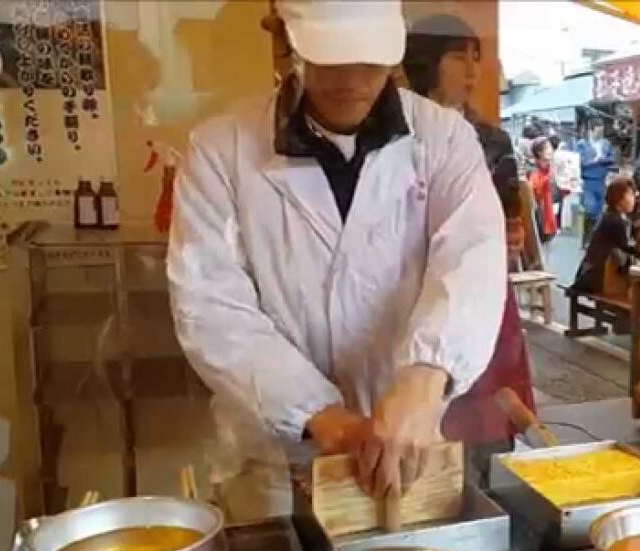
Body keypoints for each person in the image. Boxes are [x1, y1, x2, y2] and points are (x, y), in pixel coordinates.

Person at [167, 0, 507, 521]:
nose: (350, 79)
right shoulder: (220, 150)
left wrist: (425, 374)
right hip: (276, 464)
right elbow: (212, 306)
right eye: (328, 59)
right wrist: (320, 415)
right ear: (286, 42)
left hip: (414, 451)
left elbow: (473, 259)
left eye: (368, 60)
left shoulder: (444, 139)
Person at [401, 13, 535, 468]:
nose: (473, 70)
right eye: (459, 56)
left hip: (481, 295)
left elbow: (509, 217)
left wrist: (511, 236)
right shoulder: (395, 133)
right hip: (403, 297)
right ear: (425, 61)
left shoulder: (492, 140)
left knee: (485, 427)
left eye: (477, 57)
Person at [572, 176, 639, 298]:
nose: (634, 199)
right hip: (597, 277)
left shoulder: (611, 216)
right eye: (630, 194)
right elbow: (629, 248)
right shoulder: (615, 220)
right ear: (618, 198)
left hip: (588, 275)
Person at [576, 123, 615, 236]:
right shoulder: (582, 144)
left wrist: (604, 160)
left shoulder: (605, 144)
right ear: (591, 131)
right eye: (598, 131)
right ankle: (587, 235)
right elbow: (580, 161)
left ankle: (593, 237)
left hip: (601, 180)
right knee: (589, 209)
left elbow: (611, 159)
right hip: (588, 181)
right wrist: (594, 161)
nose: (600, 134)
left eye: (601, 132)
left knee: (599, 211)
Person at [528, 136, 559, 243]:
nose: (550, 150)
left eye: (550, 147)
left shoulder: (552, 168)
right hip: (539, 215)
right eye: (546, 147)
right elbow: (535, 191)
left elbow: (557, 193)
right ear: (539, 152)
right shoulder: (533, 170)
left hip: (550, 213)